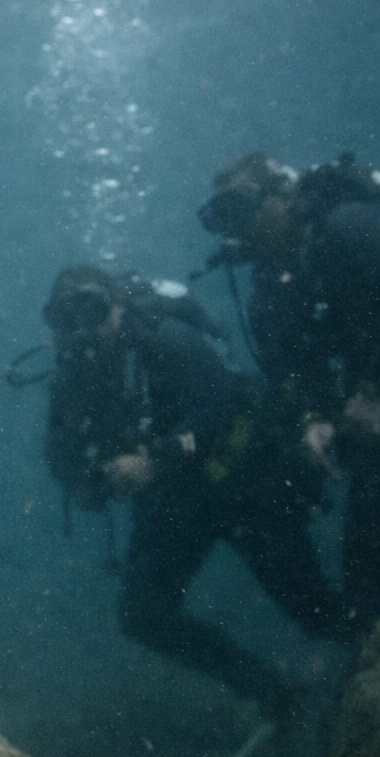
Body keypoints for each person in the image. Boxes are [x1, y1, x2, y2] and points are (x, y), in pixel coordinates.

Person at [43, 264, 354, 720]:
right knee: (142, 614)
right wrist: (86, 482)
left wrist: (155, 460)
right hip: (170, 507)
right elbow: (60, 453)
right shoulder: (73, 377)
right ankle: (267, 689)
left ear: (117, 303)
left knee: (314, 611)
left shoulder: (164, 338)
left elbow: (218, 404)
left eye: (92, 308)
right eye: (65, 318)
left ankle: (364, 650)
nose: (83, 327)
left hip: (242, 481)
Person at [198, 151, 380, 633]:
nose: (236, 233)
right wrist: (314, 421)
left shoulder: (347, 227)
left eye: (241, 210)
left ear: (283, 193)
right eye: (223, 222)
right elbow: (299, 375)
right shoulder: (272, 295)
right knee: (365, 591)